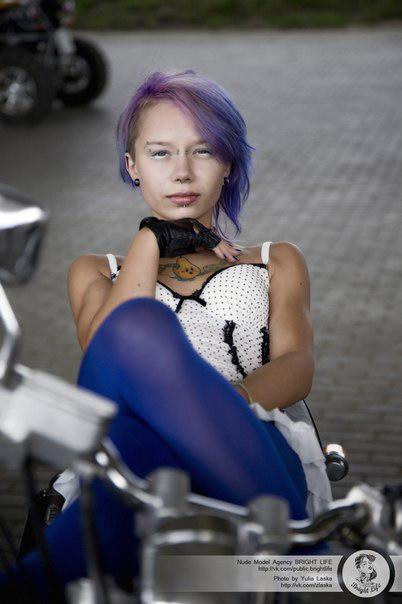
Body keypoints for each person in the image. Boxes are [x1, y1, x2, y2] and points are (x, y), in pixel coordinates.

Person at [0, 68, 332, 601]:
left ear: (228, 164)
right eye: (160, 153)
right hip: (131, 438)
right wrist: (152, 239)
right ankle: (315, 564)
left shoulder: (276, 260)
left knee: (122, 499)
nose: (181, 171)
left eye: (203, 151)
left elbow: (297, 365)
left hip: (250, 434)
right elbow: (102, 348)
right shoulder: (96, 270)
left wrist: (211, 413)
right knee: (137, 330)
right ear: (132, 166)